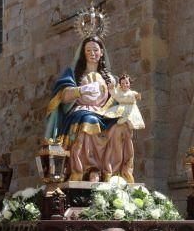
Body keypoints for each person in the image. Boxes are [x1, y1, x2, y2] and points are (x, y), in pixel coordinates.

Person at [45, 36, 135, 182]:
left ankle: (113, 172)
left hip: (104, 112)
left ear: (101, 53)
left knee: (122, 125)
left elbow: (118, 100)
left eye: (95, 50)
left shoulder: (111, 79)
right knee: (89, 120)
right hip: (81, 111)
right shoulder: (73, 74)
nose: (92, 53)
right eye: (88, 50)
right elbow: (63, 96)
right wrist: (81, 90)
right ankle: (86, 169)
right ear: (83, 53)